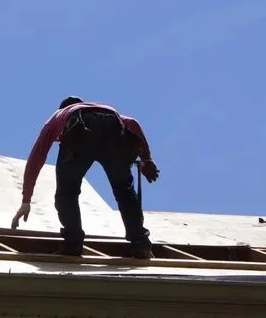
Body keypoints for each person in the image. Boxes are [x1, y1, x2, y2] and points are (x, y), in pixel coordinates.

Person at [11, 96, 160, 258]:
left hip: (81, 128)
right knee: (124, 191)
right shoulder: (100, 107)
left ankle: (73, 244)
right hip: (113, 125)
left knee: (67, 191)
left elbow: (36, 157)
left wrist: (26, 200)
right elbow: (132, 123)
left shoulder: (59, 115)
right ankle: (141, 245)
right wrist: (147, 158)